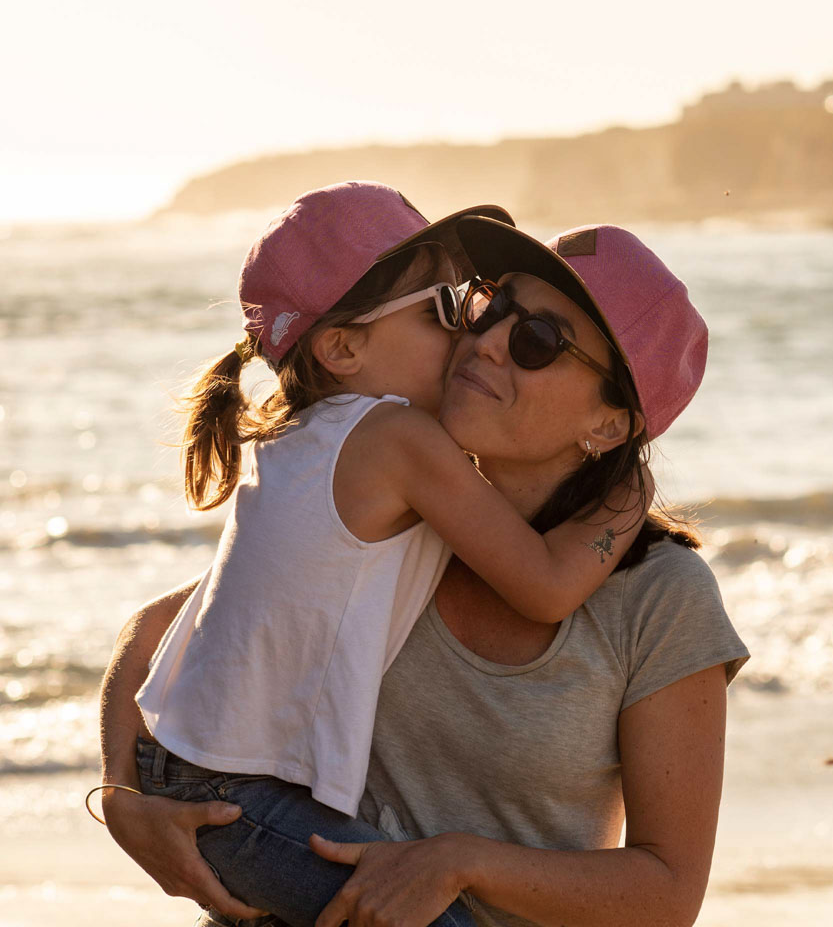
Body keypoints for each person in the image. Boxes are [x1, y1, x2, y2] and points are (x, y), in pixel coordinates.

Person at [98, 211, 749, 927]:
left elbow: (666, 895)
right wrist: (123, 798)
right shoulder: (400, 519)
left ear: (608, 425)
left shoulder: (661, 600)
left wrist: (458, 862)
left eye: (538, 341)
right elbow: (162, 628)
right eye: (490, 304)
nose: (489, 341)